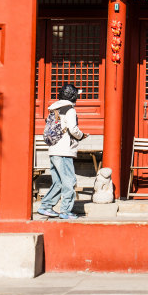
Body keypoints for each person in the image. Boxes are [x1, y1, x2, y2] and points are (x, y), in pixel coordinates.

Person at [37, 83, 87, 220]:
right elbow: (73, 129)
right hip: (65, 151)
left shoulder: (54, 109)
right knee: (69, 181)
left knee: (58, 182)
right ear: (73, 96)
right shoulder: (70, 110)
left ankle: (46, 206)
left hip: (53, 149)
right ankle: (65, 210)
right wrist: (82, 135)